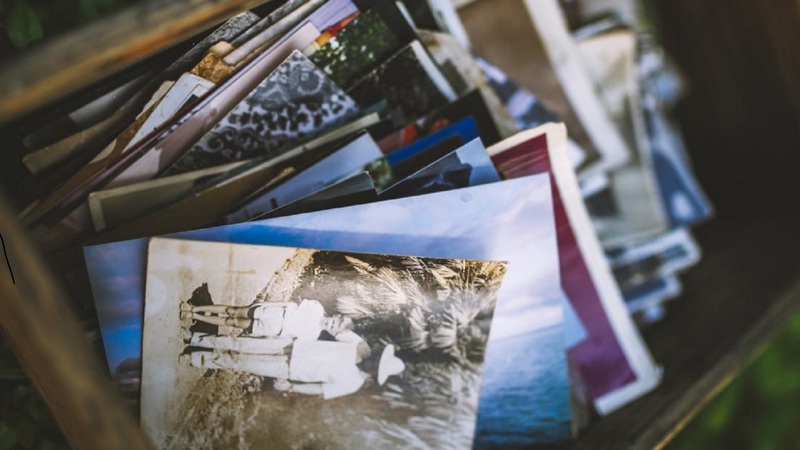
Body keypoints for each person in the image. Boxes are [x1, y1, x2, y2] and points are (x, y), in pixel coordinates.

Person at [185, 340, 405, 400]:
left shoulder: (352, 383)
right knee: (243, 344)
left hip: (289, 369)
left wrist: (291, 386)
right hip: (292, 346)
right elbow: (340, 330)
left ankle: (197, 357)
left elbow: (320, 389)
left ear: (376, 374)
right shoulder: (361, 348)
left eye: (377, 365)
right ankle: (197, 338)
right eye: (377, 359)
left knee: (239, 362)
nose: (373, 361)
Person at [181, 298, 355, 352]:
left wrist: (264, 336)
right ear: (335, 315)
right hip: (273, 313)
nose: (330, 324)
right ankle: (193, 308)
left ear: (332, 333)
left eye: (332, 327)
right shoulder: (316, 307)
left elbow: (285, 338)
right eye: (333, 321)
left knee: (231, 322)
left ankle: (196, 317)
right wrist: (267, 303)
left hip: (272, 329)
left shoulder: (311, 336)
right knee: (233, 311)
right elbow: (288, 304)